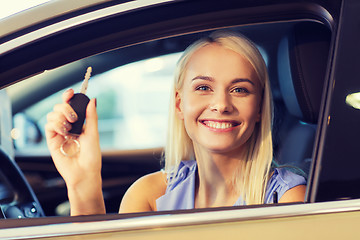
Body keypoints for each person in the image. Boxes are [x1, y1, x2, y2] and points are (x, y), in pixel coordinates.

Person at [45, 31, 306, 215]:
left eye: (239, 90)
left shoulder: (285, 199)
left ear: (260, 107)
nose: (221, 104)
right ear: (180, 104)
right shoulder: (149, 195)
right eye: (204, 87)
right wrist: (83, 183)